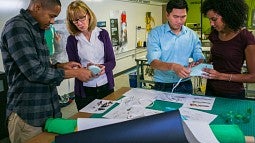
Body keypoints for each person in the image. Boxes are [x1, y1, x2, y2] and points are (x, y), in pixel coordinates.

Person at [0, 0, 93, 142]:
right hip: (29, 115)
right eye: (51, 16)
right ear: (37, 7)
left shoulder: (38, 29)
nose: (52, 21)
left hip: (48, 113)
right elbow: (34, 72)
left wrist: (60, 66)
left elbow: (40, 65)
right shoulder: (17, 27)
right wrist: (75, 73)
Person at [66, 0, 116, 111]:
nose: (79, 23)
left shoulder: (102, 34)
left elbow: (112, 61)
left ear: (89, 15)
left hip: (105, 86)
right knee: (87, 123)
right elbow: (73, 66)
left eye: (82, 18)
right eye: (75, 20)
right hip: (85, 91)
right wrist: (85, 69)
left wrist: (104, 68)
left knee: (109, 122)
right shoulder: (72, 40)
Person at [146, 0, 205, 94]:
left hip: (185, 83)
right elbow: (153, 62)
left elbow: (199, 55)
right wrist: (173, 66)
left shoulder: (192, 35)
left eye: (183, 17)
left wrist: (197, 62)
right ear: (167, 15)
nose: (179, 21)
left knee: (185, 109)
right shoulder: (156, 33)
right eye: (175, 16)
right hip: (162, 84)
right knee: (161, 109)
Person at [201, 0, 255, 99]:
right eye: (209, 20)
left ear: (227, 15)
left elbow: (253, 76)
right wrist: (200, 66)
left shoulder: (245, 38)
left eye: (214, 19)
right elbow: (213, 60)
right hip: (210, 90)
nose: (211, 24)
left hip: (232, 93)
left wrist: (221, 76)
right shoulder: (215, 34)